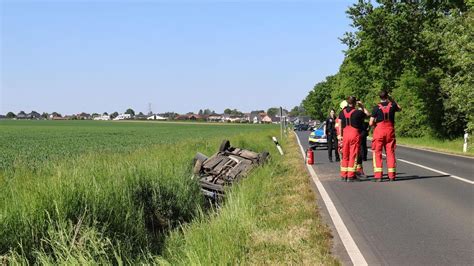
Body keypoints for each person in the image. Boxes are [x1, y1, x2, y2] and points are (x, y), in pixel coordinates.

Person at [369, 90, 402, 182]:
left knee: (377, 152)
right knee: (390, 153)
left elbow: (371, 122)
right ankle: (392, 175)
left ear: (379, 97)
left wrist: (375, 124)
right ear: (387, 96)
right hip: (390, 131)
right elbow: (400, 108)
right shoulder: (393, 105)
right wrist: (392, 99)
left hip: (379, 131)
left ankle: (378, 176)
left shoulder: (376, 108)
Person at [338, 96, 370, 182]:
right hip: (354, 134)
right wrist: (362, 106)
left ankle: (343, 175)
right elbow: (368, 115)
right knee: (353, 155)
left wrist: (340, 136)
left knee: (345, 155)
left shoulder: (341, 112)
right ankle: (350, 176)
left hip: (345, 135)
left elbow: (340, 125)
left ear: (347, 102)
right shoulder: (357, 112)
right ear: (355, 103)